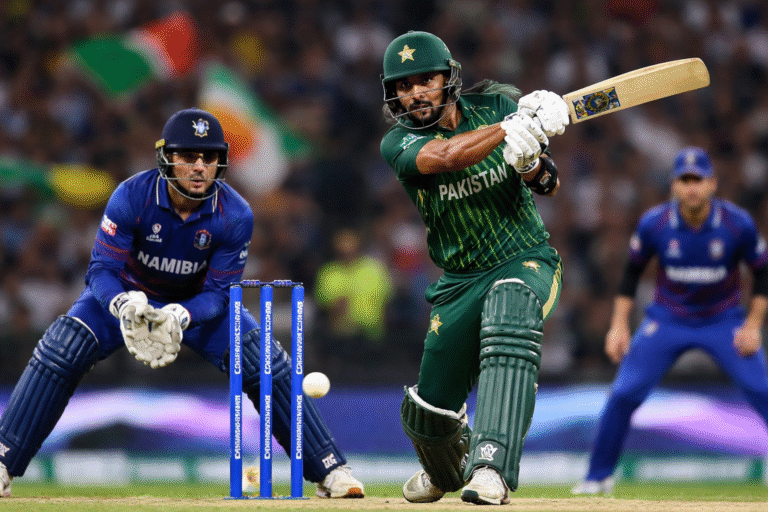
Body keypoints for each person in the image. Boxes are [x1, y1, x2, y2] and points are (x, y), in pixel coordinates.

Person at [0, 108, 364, 499]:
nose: (199, 167)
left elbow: (222, 291)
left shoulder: (235, 214)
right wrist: (123, 305)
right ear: (166, 158)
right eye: (188, 156)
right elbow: (101, 270)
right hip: (129, 294)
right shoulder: (132, 195)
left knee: (265, 362)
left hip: (196, 303)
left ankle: (329, 468)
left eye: (208, 158)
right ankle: (4, 460)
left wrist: (183, 313)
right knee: (62, 347)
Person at [379, 31, 568, 505]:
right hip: (459, 282)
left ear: (449, 79)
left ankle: (491, 467)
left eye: (426, 80)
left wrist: (529, 164)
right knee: (428, 414)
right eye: (404, 85)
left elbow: (548, 183)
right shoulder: (398, 142)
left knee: (510, 305)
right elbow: (449, 155)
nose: (415, 93)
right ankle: (445, 471)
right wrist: (514, 128)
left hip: (523, 260)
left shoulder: (498, 103)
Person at [572, 147, 768, 495]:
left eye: (698, 180)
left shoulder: (738, 224)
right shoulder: (655, 223)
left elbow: (763, 275)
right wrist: (619, 326)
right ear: (674, 186)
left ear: (712, 184)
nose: (692, 187)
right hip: (668, 319)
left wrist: (753, 325)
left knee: (763, 390)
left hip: (724, 319)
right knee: (623, 394)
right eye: (684, 180)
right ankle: (597, 477)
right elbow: (630, 276)